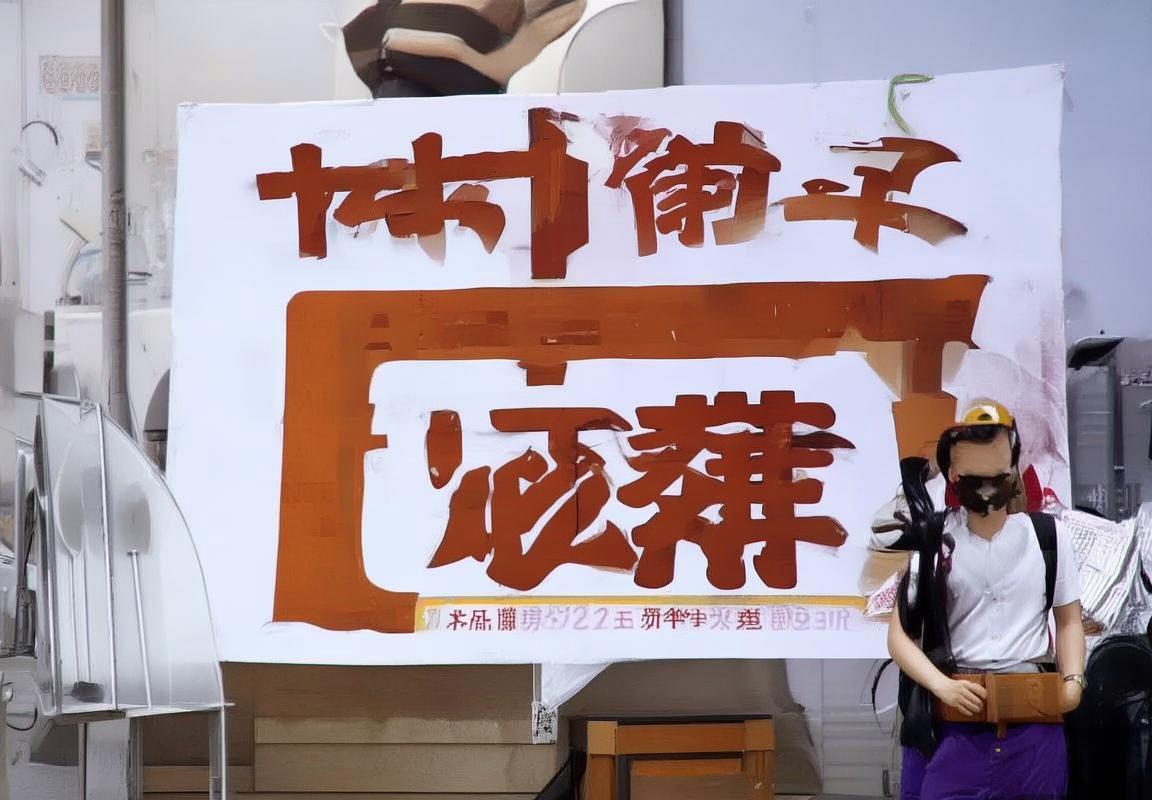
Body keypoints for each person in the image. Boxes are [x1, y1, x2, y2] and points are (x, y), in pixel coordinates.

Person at [887, 402, 1086, 800]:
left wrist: (1074, 681)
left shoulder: (1048, 537)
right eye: (973, 477)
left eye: (996, 476)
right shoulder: (933, 540)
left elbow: (1068, 620)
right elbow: (898, 636)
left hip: (1034, 721)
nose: (985, 489)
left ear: (1013, 470)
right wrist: (941, 685)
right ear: (954, 475)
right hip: (955, 721)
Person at [342, 0, 587, 98]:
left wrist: (457, 51)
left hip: (466, 96)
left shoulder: (553, 10)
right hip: (398, 87)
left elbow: (501, 70)